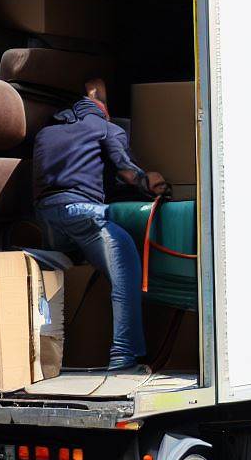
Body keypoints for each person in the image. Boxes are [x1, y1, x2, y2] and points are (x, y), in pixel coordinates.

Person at [33, 78, 167, 372]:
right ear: (104, 111)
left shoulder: (46, 133)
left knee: (66, 268)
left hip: (47, 214)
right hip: (85, 212)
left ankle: (25, 257)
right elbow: (127, 171)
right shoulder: (106, 128)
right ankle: (123, 356)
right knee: (126, 268)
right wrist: (152, 182)